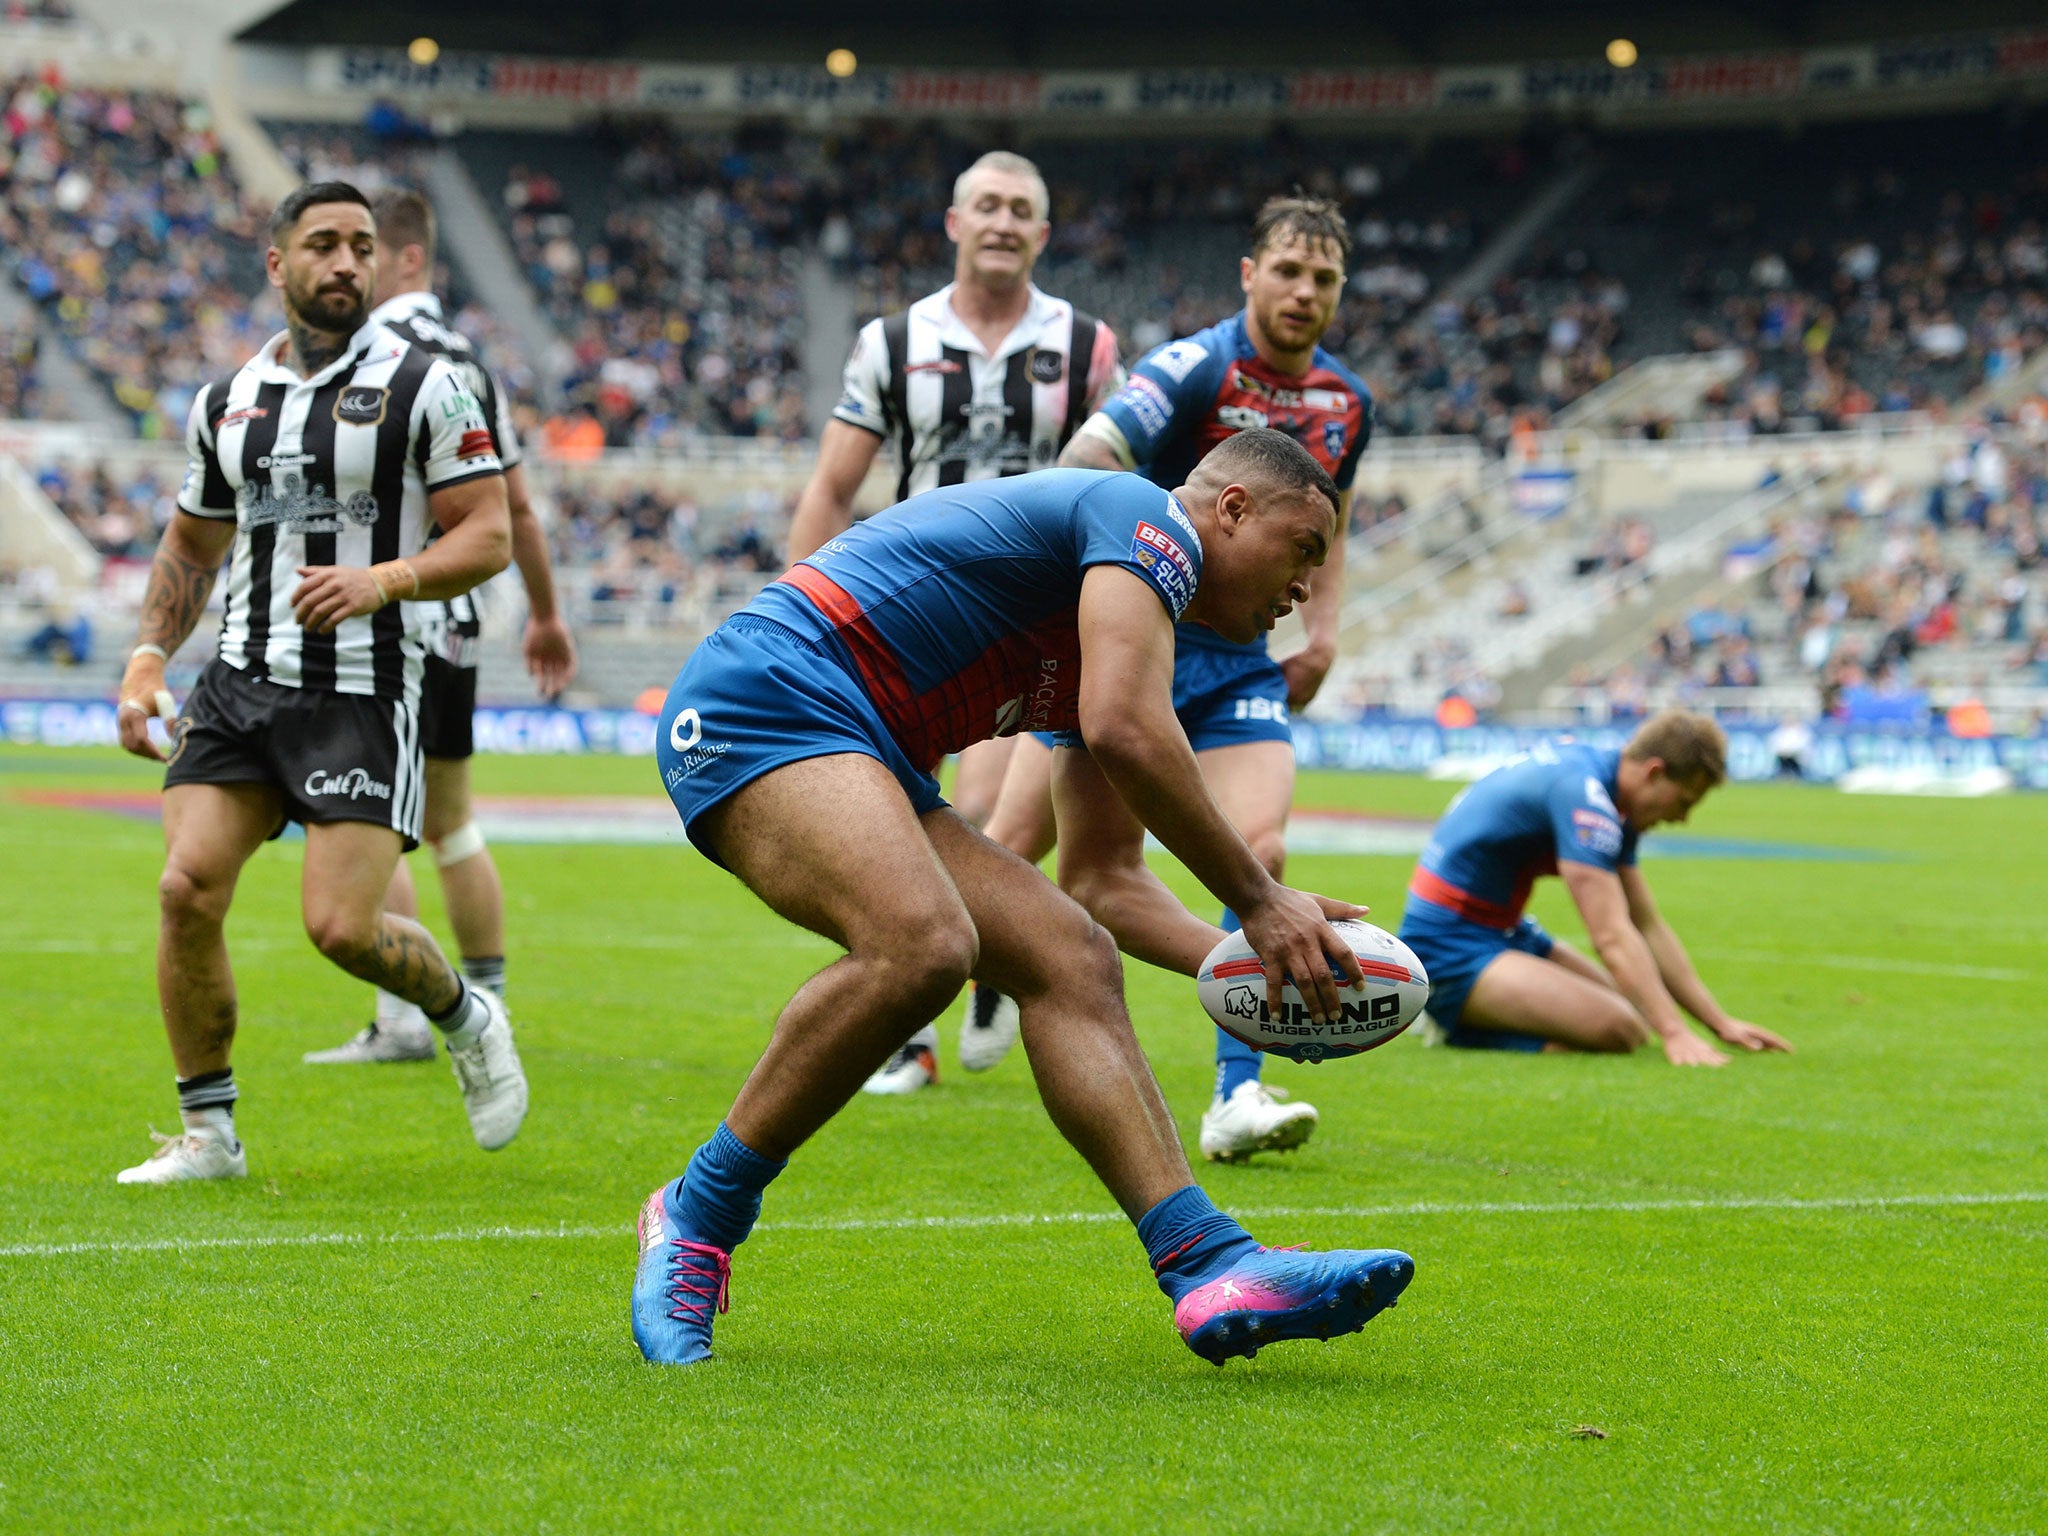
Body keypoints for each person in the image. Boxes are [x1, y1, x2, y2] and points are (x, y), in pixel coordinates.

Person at [635, 429, 1412, 1367]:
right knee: (924, 944)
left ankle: (1208, 1264)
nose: (1306, 585)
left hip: (853, 743)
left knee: (1069, 955)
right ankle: (695, 1214)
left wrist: (1266, 966)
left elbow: (1107, 883)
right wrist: (1259, 900)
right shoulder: (1143, 519)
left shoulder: (1117, 621)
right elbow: (1125, 730)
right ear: (1234, 509)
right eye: (1305, 549)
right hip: (762, 699)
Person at [111, 182, 528, 1183]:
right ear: (277, 263)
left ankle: (466, 1015)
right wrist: (145, 659)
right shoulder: (227, 401)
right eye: (324, 245)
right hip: (240, 683)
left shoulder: (429, 384)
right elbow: (190, 544)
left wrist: (382, 579)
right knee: (183, 890)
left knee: (341, 928)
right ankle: (210, 1136)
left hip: (365, 688)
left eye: (362, 246)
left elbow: (489, 533)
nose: (346, 262)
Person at [975, 194, 1370, 1163]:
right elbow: (1089, 455)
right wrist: (1128, 562)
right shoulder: (1193, 366)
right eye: (1286, 270)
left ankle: (1237, 1092)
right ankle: (949, 998)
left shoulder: (1346, 403)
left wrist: (1319, 629)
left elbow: (1336, 519)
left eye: (1322, 278)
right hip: (1128, 636)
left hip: (1237, 656)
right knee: (1009, 852)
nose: (1302, 291)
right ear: (1248, 274)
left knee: (1258, 849)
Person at [785, 149, 1124, 1095]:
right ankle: (930, 1019)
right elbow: (833, 485)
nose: (1004, 221)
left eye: (1023, 208)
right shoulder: (892, 342)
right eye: (988, 205)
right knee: (898, 814)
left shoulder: (1089, 345)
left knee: (980, 814)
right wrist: (797, 603)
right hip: (911, 605)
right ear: (954, 222)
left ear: (1044, 235)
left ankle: (981, 969)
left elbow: (1121, 477)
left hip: (1035, 612)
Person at [305, 186, 576, 1064]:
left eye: (367, 249)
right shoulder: (469, 358)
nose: (351, 268)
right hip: (457, 619)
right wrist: (543, 613)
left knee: (357, 811)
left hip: (389, 620)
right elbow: (519, 511)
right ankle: (485, 1007)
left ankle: (410, 1018)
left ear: (406, 256)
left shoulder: (375, 354)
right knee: (451, 821)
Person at [1398, 713, 1793, 1063]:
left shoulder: (1602, 785)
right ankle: (1451, 1023)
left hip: (1504, 931)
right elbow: (1612, 936)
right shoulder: (1585, 798)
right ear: (1654, 772)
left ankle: (1486, 1009)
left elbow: (1646, 924)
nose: (1682, 819)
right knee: (1619, 1028)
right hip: (1447, 946)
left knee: (1636, 1010)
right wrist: (1675, 1034)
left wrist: (1719, 1023)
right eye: (1683, 801)